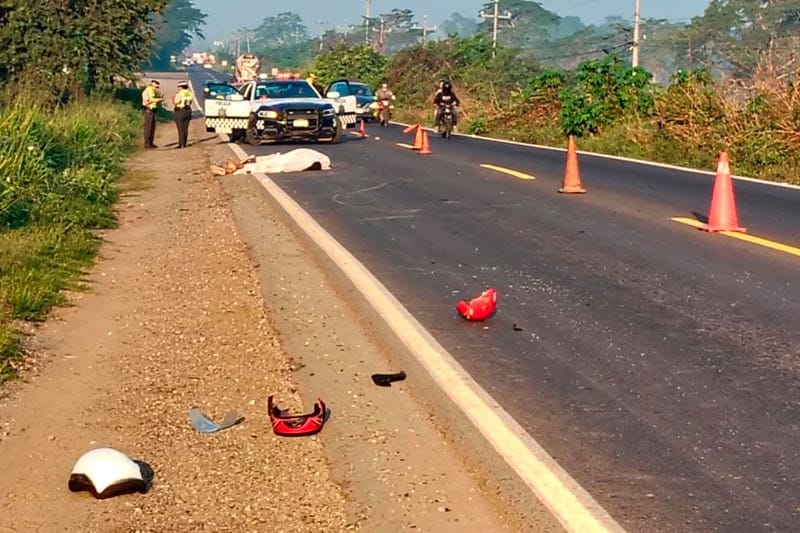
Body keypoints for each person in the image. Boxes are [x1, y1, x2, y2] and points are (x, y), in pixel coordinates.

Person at [141, 80, 163, 149]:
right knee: (148, 127)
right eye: (156, 87)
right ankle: (147, 143)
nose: (157, 88)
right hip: (148, 110)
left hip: (153, 110)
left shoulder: (153, 92)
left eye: (158, 87)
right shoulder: (146, 92)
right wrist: (155, 100)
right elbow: (145, 103)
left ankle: (151, 143)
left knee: (152, 127)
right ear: (152, 86)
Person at [172, 80, 193, 149]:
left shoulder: (180, 93)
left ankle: (181, 144)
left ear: (180, 87)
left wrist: (173, 98)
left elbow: (176, 102)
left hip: (180, 111)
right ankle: (184, 143)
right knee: (185, 128)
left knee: (180, 128)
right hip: (188, 111)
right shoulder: (189, 93)